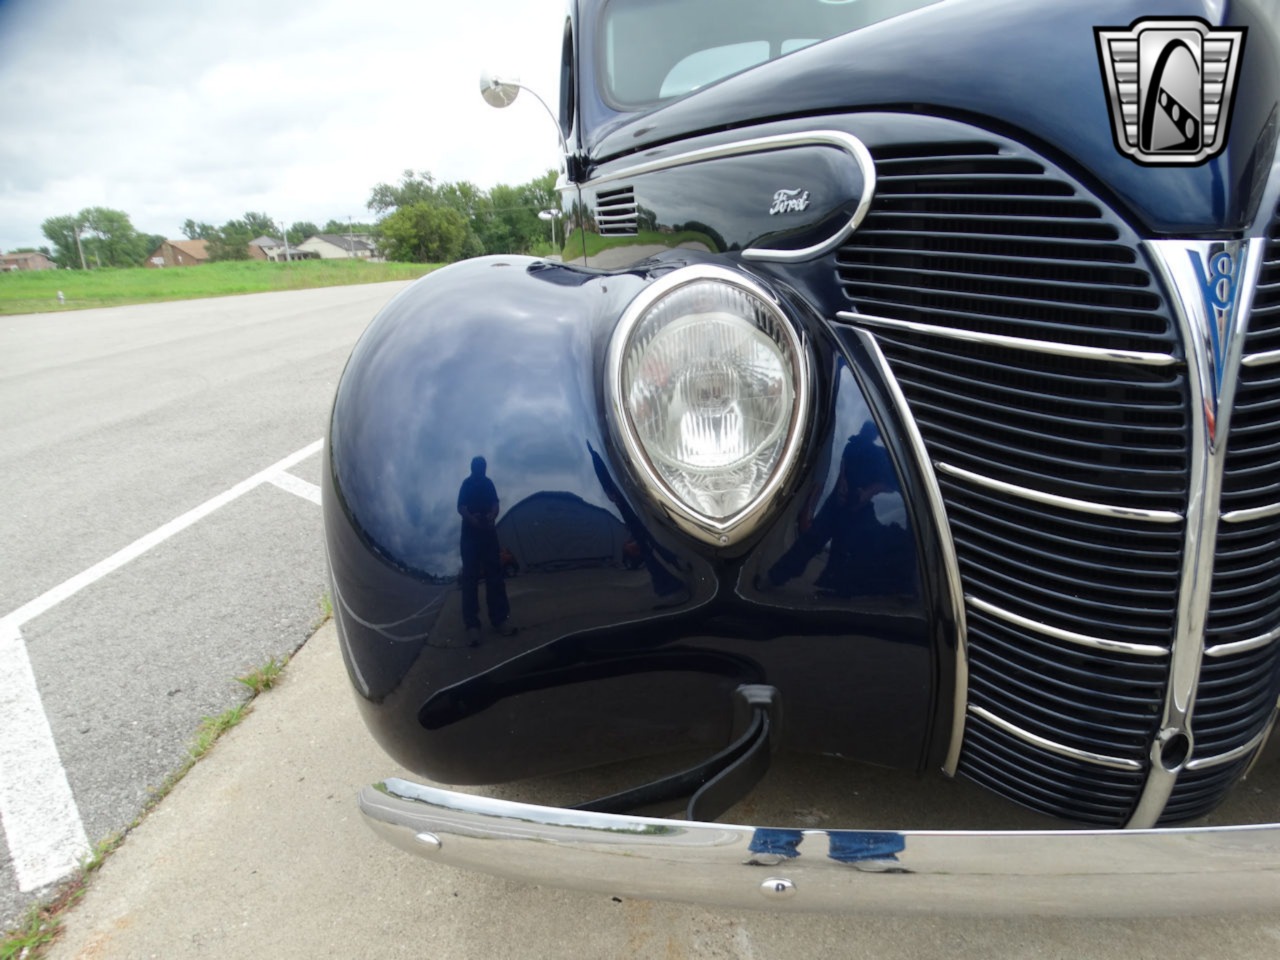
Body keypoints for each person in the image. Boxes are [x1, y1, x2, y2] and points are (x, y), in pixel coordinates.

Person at [457, 456, 514, 642]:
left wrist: (492, 515)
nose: (481, 470)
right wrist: (473, 520)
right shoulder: (466, 484)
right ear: (473, 468)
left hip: (488, 532)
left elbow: (495, 503)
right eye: (478, 467)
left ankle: (499, 619)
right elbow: (461, 507)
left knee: (495, 574)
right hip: (470, 534)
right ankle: (472, 625)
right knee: (470, 578)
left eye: (483, 467)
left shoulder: (489, 483)